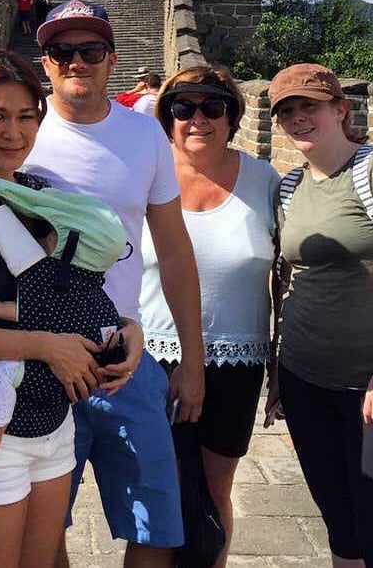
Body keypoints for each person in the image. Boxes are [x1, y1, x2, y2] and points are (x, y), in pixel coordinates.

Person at [0, 47, 143, 568]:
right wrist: (44, 345)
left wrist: (127, 329)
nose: (12, 132)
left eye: (24, 117)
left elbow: (76, 293)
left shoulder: (43, 196)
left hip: (52, 418)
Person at [22, 0, 205, 568]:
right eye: (62, 50)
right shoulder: (19, 132)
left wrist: (192, 362)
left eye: (91, 50)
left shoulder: (145, 136)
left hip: (127, 360)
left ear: (112, 60)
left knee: (157, 526)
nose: (78, 61)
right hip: (42, 362)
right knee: (44, 526)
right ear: (45, 62)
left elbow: (173, 251)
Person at [265, 63, 373, 568]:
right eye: (287, 110)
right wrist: (279, 369)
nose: (299, 118)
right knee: (341, 528)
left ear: (340, 109)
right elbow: (287, 281)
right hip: (306, 382)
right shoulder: (290, 186)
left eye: (309, 106)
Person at [139, 65, 280, 567]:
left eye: (212, 107)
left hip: (239, 359)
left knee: (216, 490)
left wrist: (281, 366)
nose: (197, 118)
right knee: (158, 489)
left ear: (233, 117)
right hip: (155, 355)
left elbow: (287, 274)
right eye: (182, 108)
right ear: (167, 119)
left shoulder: (264, 180)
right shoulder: (147, 177)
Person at [0, 176, 131, 455]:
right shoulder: (97, 294)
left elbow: (19, 311)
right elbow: (112, 335)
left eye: (51, 235)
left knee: (3, 371)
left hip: (41, 376)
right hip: (73, 390)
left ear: (72, 246)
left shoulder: (57, 289)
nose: (44, 239)